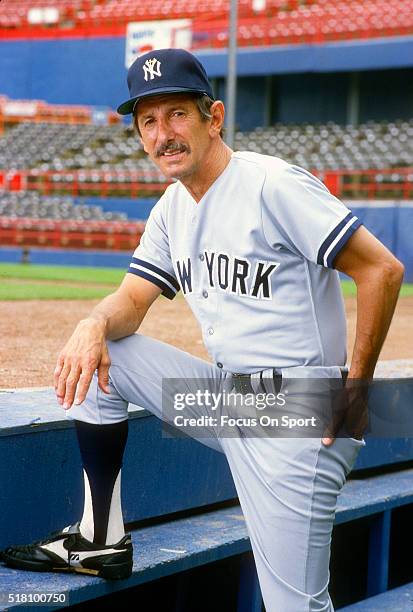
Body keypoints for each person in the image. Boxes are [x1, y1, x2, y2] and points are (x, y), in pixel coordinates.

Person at [1, 49, 404, 610]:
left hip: (300, 412)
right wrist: (92, 322)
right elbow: (133, 299)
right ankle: (100, 537)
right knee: (101, 354)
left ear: (213, 117)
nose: (163, 133)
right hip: (234, 403)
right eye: (149, 121)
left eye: (177, 115)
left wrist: (354, 393)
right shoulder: (172, 208)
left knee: (296, 607)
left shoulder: (270, 185)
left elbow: (381, 268)